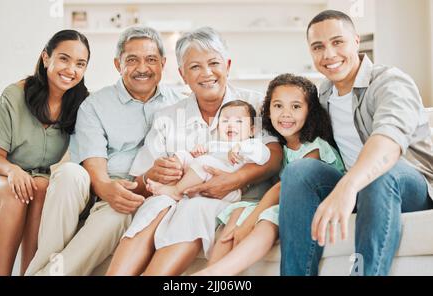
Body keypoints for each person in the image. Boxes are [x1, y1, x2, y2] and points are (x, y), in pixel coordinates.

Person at [105, 27, 282, 276]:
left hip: (231, 199)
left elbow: (274, 156)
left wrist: (233, 180)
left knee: (193, 207)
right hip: (176, 198)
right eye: (195, 67)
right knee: (157, 205)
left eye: (213, 63)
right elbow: (141, 183)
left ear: (227, 65)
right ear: (182, 74)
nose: (206, 73)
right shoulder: (167, 117)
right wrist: (154, 175)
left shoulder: (255, 104)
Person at [279, 10, 433, 276]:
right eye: (318, 46)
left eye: (337, 42)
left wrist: (349, 186)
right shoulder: (322, 94)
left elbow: (389, 138)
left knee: (379, 174)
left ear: (356, 41)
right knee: (299, 171)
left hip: (408, 186)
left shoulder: (390, 82)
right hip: (357, 188)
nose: (329, 54)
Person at [25, 26, 184, 276]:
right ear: (117, 64)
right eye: (132, 60)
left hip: (147, 196)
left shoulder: (180, 103)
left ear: (163, 64)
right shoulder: (94, 105)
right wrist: (107, 188)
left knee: (120, 213)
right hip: (103, 188)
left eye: (151, 59)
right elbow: (96, 173)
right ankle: (43, 265)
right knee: (68, 173)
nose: (142, 68)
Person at [193, 74, 344, 276]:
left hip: (316, 202)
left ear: (310, 112)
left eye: (296, 107)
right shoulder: (278, 148)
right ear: (268, 110)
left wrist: (250, 222)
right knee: (238, 211)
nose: (286, 114)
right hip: (284, 200)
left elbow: (283, 187)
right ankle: (211, 268)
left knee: (268, 217)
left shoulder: (315, 146)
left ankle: (216, 274)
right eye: (278, 106)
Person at [0, 30, 90, 275]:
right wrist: (14, 172)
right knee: (16, 191)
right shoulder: (14, 95)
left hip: (34, 178)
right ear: (45, 58)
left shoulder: (82, 104)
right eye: (64, 59)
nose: (71, 69)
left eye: (80, 64)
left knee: (40, 188)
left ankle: (29, 274)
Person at [146, 100, 271, 202]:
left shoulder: (251, 144)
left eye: (239, 121)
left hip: (228, 191)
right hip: (201, 181)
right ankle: (172, 184)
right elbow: (198, 156)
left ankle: (176, 192)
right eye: (225, 120)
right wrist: (196, 152)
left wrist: (240, 148)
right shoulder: (215, 144)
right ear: (217, 127)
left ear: (252, 130)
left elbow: (264, 156)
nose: (231, 125)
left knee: (204, 163)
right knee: (183, 155)